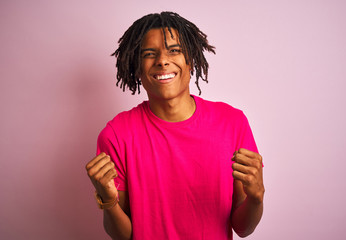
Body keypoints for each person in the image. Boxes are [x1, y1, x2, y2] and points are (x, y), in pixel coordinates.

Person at [85, 11, 264, 240]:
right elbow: (124, 236)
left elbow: (243, 228)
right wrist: (108, 200)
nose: (162, 60)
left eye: (174, 50)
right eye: (150, 54)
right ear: (137, 67)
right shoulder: (117, 134)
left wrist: (256, 196)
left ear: (192, 59)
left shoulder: (232, 123)